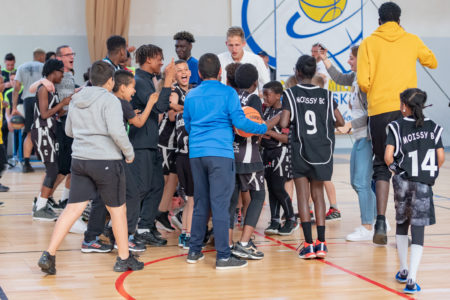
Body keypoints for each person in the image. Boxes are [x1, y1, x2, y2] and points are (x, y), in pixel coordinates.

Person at [37, 60, 144, 274]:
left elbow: (69, 130)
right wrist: (129, 153)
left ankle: (49, 254)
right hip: (105, 161)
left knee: (73, 208)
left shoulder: (76, 99)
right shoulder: (110, 100)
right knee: (118, 210)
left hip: (80, 161)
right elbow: (117, 132)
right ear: (110, 81)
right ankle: (123, 258)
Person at [357, 2, 438, 245]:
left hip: (380, 111)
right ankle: (411, 225)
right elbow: (432, 61)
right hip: (409, 110)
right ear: (399, 20)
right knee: (411, 166)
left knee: (381, 164)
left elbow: (363, 82)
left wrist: (378, 90)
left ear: (379, 21)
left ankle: (380, 221)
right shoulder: (411, 39)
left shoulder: (369, 43)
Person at [183, 53, 274, 269]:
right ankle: (223, 256)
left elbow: (187, 124)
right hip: (220, 155)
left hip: (196, 154)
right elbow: (240, 122)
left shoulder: (191, 95)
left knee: (201, 203)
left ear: (198, 73)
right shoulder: (228, 93)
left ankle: (194, 251)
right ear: (220, 72)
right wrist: (262, 127)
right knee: (221, 205)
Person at [82, 70, 159, 253]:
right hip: (114, 157)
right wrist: (150, 103)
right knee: (133, 193)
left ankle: (91, 237)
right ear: (122, 87)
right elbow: (138, 123)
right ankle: (125, 237)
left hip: (97, 156)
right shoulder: (121, 103)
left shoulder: (112, 102)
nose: (134, 91)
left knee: (101, 198)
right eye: (132, 87)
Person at [280, 55, 344, 259]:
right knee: (318, 195)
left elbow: (284, 122)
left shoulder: (290, 93)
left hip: (300, 149)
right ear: (314, 72)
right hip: (322, 150)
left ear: (297, 72)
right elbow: (340, 121)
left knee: (302, 195)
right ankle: (322, 244)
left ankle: (308, 244)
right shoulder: (327, 94)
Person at [385, 88, 444, 294]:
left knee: (402, 223)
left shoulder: (396, 126)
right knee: (418, 230)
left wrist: (396, 172)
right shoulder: (434, 127)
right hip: (423, 184)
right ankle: (412, 280)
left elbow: (388, 156)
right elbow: (441, 157)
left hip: (403, 181)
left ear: (404, 105)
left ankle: (403, 269)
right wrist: (431, 175)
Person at [319, 46, 376, 241]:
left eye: (352, 59)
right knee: (358, 182)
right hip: (360, 137)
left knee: (361, 183)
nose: (348, 62)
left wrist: (349, 124)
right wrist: (325, 59)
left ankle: (368, 226)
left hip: (367, 137)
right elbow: (338, 78)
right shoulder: (354, 78)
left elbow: (372, 115)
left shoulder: (367, 83)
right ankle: (377, 221)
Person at [129, 44, 175, 247]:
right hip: (140, 144)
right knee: (142, 188)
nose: (162, 62)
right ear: (149, 59)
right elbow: (160, 107)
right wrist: (168, 81)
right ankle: (123, 229)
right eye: (159, 58)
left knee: (156, 186)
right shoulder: (139, 82)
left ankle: (145, 226)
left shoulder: (147, 80)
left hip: (150, 143)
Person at [228, 63, 274, 261]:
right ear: (255, 83)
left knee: (231, 202)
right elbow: (255, 126)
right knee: (258, 196)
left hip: (230, 154)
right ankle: (245, 243)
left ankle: (228, 243)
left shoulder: (230, 96)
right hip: (249, 155)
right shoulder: (253, 98)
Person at [30, 59, 71, 221]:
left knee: (54, 169)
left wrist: (64, 106)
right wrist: (62, 102)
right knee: (53, 170)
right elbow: (44, 114)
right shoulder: (43, 89)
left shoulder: (50, 89)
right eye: (61, 71)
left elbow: (54, 113)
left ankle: (41, 204)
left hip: (49, 131)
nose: (63, 75)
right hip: (42, 131)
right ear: (53, 71)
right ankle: (39, 208)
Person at [261, 81, 297, 236]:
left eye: (268, 94)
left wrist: (270, 134)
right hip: (267, 153)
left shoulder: (285, 113)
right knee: (271, 188)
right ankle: (275, 220)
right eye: (264, 94)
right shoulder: (267, 111)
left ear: (278, 96)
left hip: (280, 153)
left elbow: (288, 138)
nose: (265, 97)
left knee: (278, 187)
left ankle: (291, 218)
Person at [171, 60, 194, 249]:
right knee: (193, 200)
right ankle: (188, 236)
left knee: (190, 200)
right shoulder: (175, 92)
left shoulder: (192, 92)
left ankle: (185, 235)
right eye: (179, 71)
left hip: (184, 156)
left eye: (186, 69)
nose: (184, 72)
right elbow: (171, 110)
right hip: (185, 156)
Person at [11, 48, 46, 173]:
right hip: (41, 99)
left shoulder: (21, 67)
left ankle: (26, 163)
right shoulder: (44, 66)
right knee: (44, 130)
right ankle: (48, 162)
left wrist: (14, 107)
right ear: (41, 56)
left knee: (30, 132)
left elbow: (16, 88)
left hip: (27, 101)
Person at [218, 26, 269, 95]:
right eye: (231, 45)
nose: (234, 49)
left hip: (250, 103)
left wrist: (257, 98)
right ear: (226, 44)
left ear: (243, 44)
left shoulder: (256, 60)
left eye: (237, 45)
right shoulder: (219, 59)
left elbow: (266, 84)